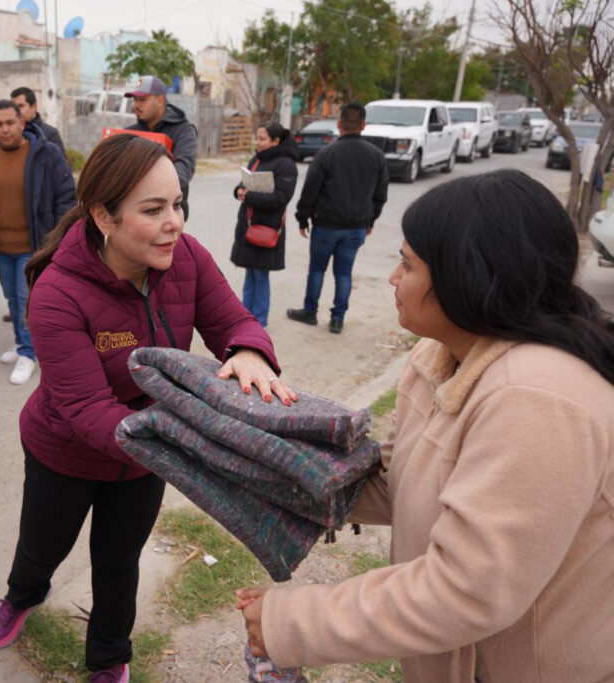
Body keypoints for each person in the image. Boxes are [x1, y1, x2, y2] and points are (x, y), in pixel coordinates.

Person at [238, 169, 614, 681]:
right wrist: (267, 471)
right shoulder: (444, 357)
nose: (393, 278)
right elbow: (403, 479)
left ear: (468, 277)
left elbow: (467, 588)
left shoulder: (535, 399)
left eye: (406, 264)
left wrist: (292, 621)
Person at [0, 134, 298, 683]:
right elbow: (84, 407)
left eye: (177, 204)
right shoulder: (56, 293)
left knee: (119, 562)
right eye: (153, 210)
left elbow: (233, 322)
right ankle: (21, 597)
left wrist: (248, 350)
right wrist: (184, 439)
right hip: (67, 452)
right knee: (41, 547)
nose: (174, 222)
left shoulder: (188, 258)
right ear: (104, 215)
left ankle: (108, 657)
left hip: (146, 457)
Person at [0, 99, 75, 385]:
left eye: (10, 123)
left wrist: (58, 238)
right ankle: (21, 343)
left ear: (22, 123)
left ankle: (29, 353)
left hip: (34, 245)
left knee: (27, 299)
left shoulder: (45, 154)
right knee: (13, 299)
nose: (4, 129)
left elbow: (66, 197)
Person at [286, 102, 388, 334]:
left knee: (317, 270)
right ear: (364, 125)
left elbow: (310, 191)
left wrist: (302, 218)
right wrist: (370, 221)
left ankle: (310, 312)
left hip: (325, 226)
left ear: (339, 124)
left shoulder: (326, 154)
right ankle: (337, 319)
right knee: (344, 272)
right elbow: (380, 195)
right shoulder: (376, 156)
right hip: (356, 227)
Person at [231, 122, 299, 327]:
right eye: (257, 138)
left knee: (260, 275)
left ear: (276, 141)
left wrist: (250, 196)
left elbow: (281, 198)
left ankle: (259, 321)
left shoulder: (286, 165)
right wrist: (239, 192)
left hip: (267, 227)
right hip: (249, 225)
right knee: (250, 273)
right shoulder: (257, 159)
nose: (257, 142)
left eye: (262, 139)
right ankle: (245, 316)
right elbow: (244, 183)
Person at [124, 76, 197, 219]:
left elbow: (183, 170)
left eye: (142, 100)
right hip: (131, 216)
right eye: (135, 100)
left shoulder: (184, 131)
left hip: (169, 216)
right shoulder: (129, 133)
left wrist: (143, 187)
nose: (136, 105)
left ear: (160, 100)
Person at [10, 86, 65, 154]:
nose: (16, 111)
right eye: (13, 107)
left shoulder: (50, 134)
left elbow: (60, 163)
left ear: (34, 107)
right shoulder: (8, 133)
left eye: (21, 106)